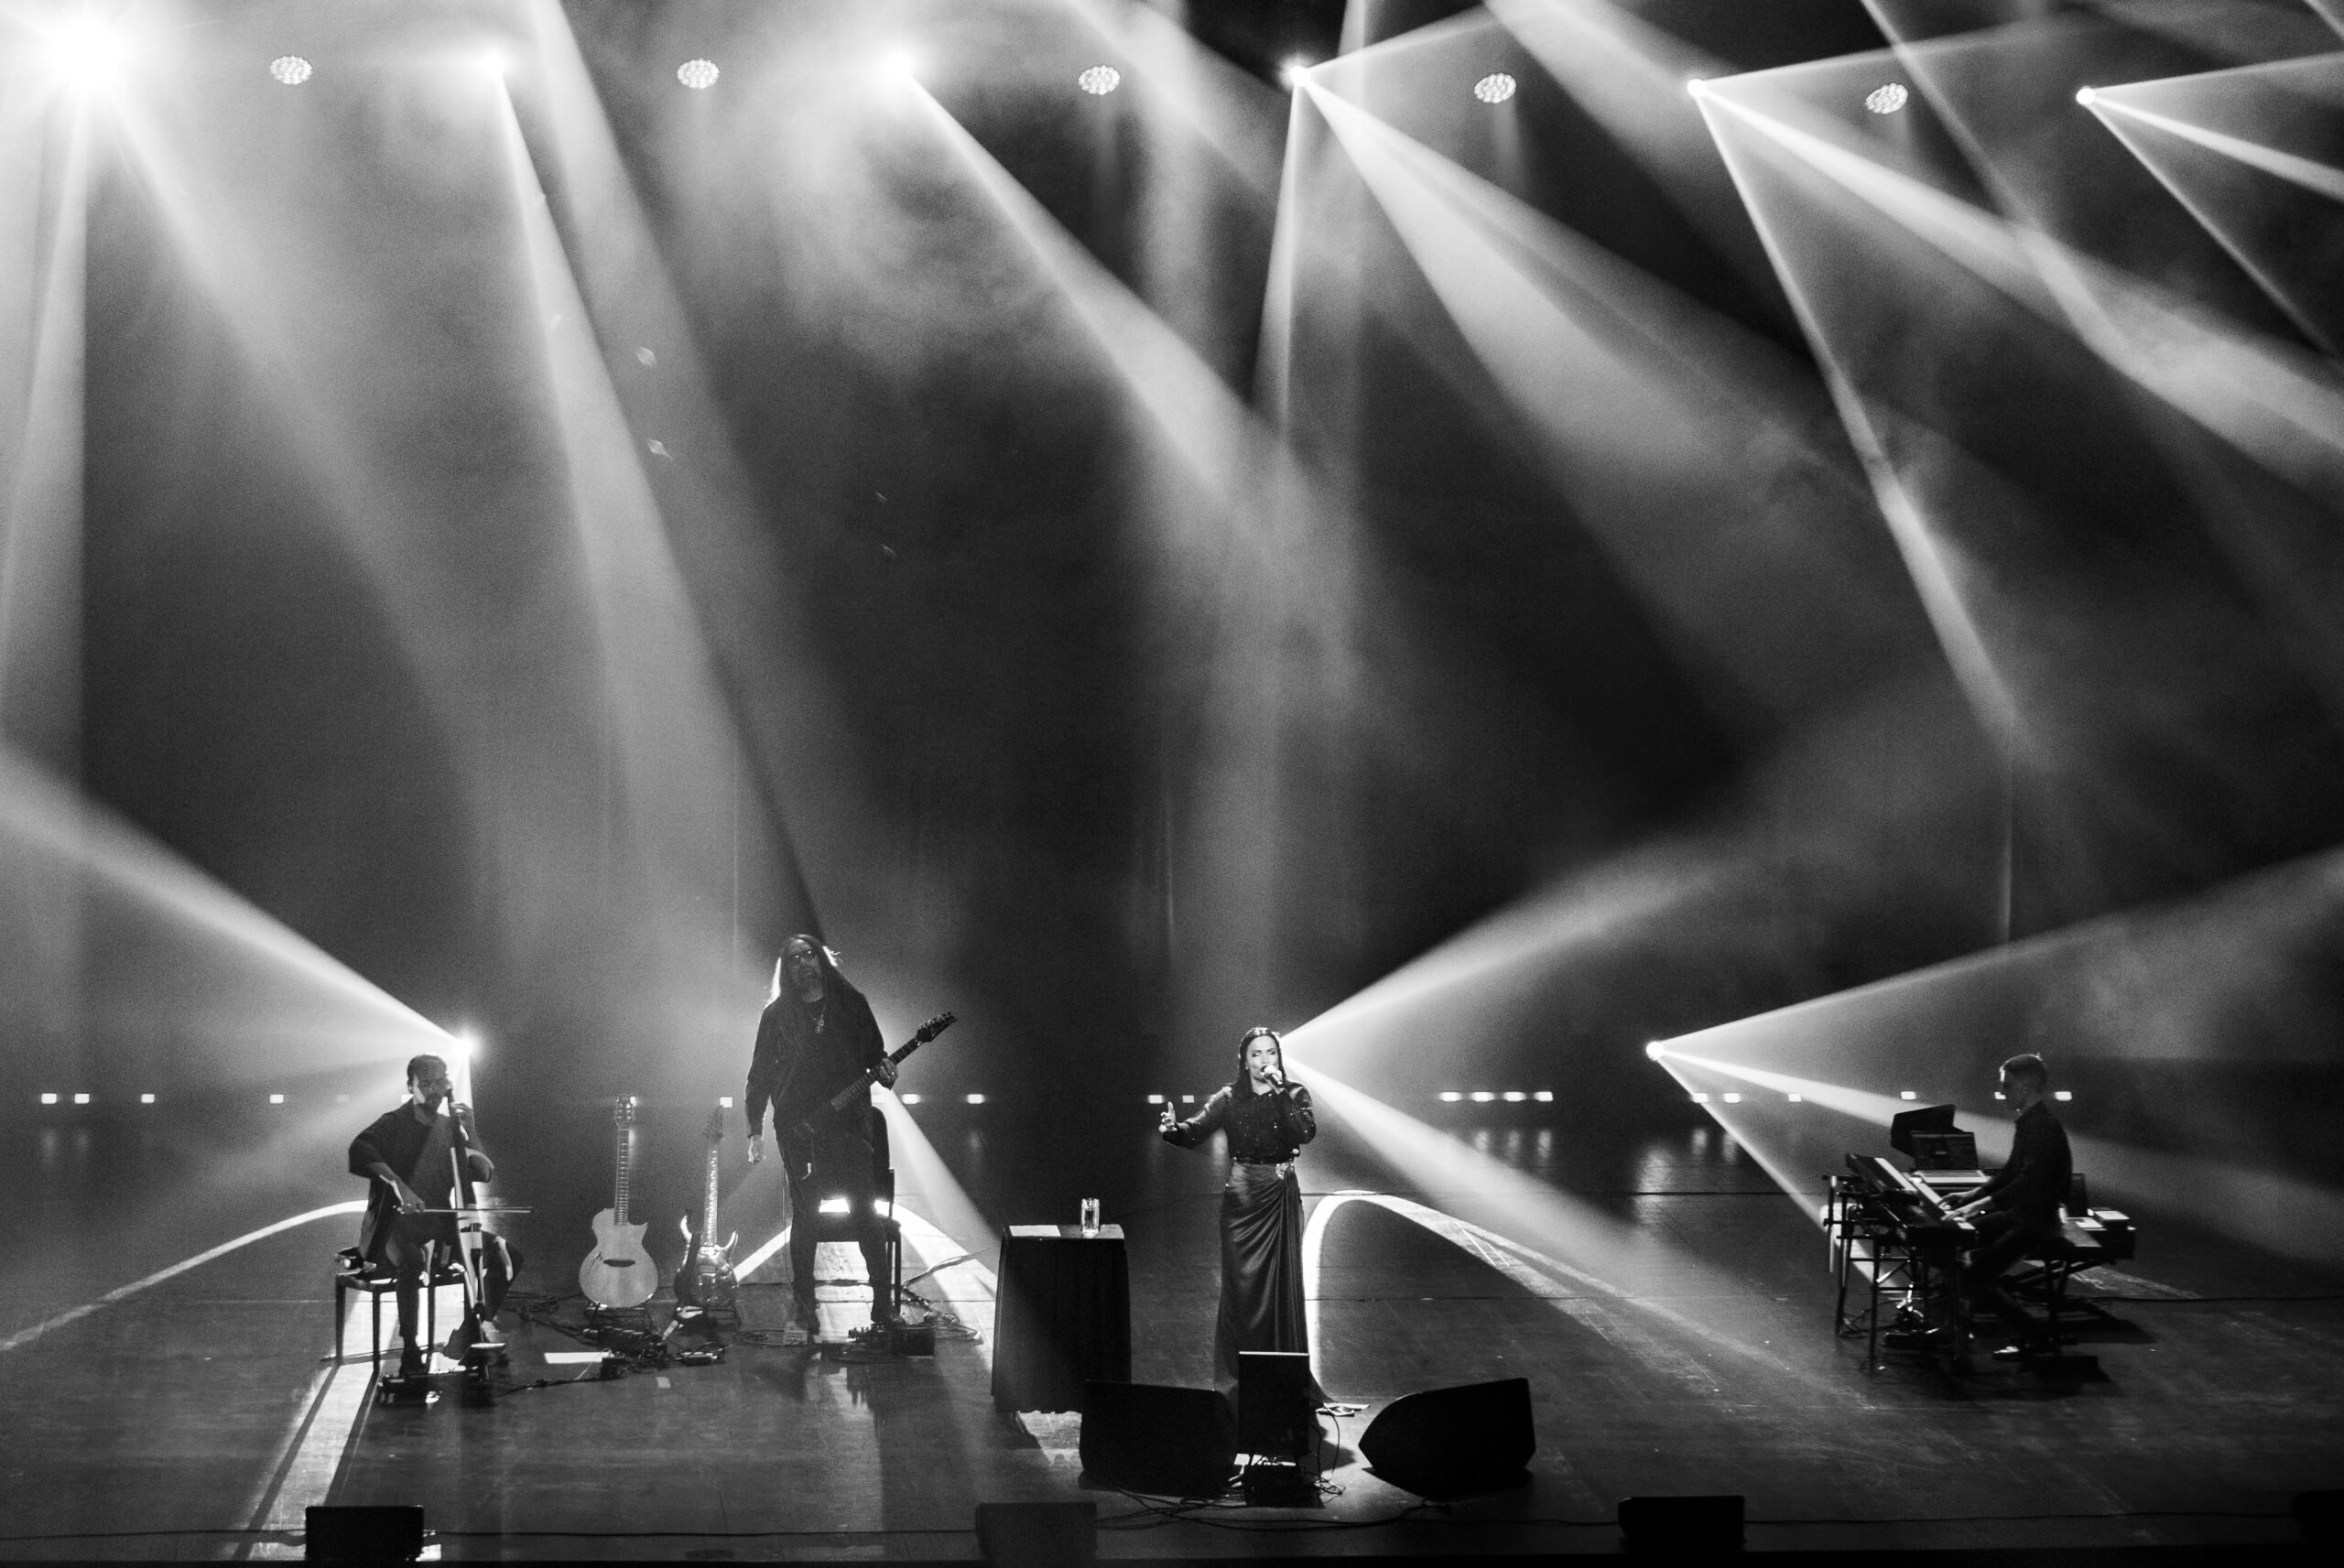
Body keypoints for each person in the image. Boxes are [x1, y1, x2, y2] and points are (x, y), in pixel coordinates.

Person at [744, 935, 897, 1338]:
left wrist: (887, 1073)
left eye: (809, 954)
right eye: (794, 959)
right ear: (786, 969)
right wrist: (754, 1128)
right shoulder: (776, 1016)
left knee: (864, 1212)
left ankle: (883, 1306)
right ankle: (805, 1306)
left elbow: (876, 1056)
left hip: (849, 1126)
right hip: (799, 1130)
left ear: (822, 959)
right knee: (806, 1217)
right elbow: (759, 1075)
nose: (803, 963)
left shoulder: (852, 1004)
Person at [1159, 1026, 1318, 1404]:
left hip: (1279, 1195)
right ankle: (1237, 1379)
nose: (1265, 1060)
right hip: (1243, 1201)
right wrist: (1172, 1130)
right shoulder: (1229, 1098)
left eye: (1271, 1053)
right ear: (1245, 1062)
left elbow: (1305, 1132)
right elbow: (1195, 1131)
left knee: (1281, 1288)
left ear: (1279, 1058)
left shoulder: (1294, 1093)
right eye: (1256, 1054)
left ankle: (1282, 1378)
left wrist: (1280, 1091)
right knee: (1241, 1290)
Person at [348, 1054, 517, 1379]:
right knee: (412, 1261)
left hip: (439, 1226)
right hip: (393, 1228)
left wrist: (471, 1131)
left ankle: (468, 1335)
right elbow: (360, 1149)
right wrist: (399, 1187)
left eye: (440, 1082)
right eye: (425, 1083)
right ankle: (410, 1349)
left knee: (506, 1257)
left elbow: (483, 1172)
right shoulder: (393, 1123)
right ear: (410, 1086)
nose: (434, 1089)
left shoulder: (448, 1128)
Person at [1948, 1053, 2072, 1353]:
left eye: (2007, 1085)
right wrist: (1971, 1196)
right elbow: (2009, 1173)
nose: (2002, 1092)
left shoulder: (2042, 1127)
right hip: (2021, 1215)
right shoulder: (2030, 1122)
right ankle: (1956, 1325)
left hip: (2036, 1223)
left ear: (2027, 1087)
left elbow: (2028, 1183)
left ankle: (2037, 1338)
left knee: (1974, 1278)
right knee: (1955, 1239)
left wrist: (1978, 1206)